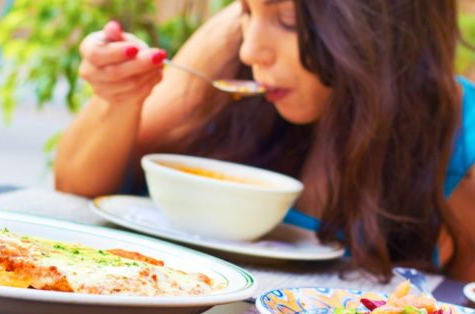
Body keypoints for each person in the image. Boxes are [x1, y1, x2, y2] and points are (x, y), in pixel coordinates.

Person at [54, 1, 475, 282]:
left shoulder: (456, 132)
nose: (252, 49)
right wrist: (117, 99)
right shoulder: (231, 42)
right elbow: (76, 187)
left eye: (287, 21)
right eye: (246, 11)